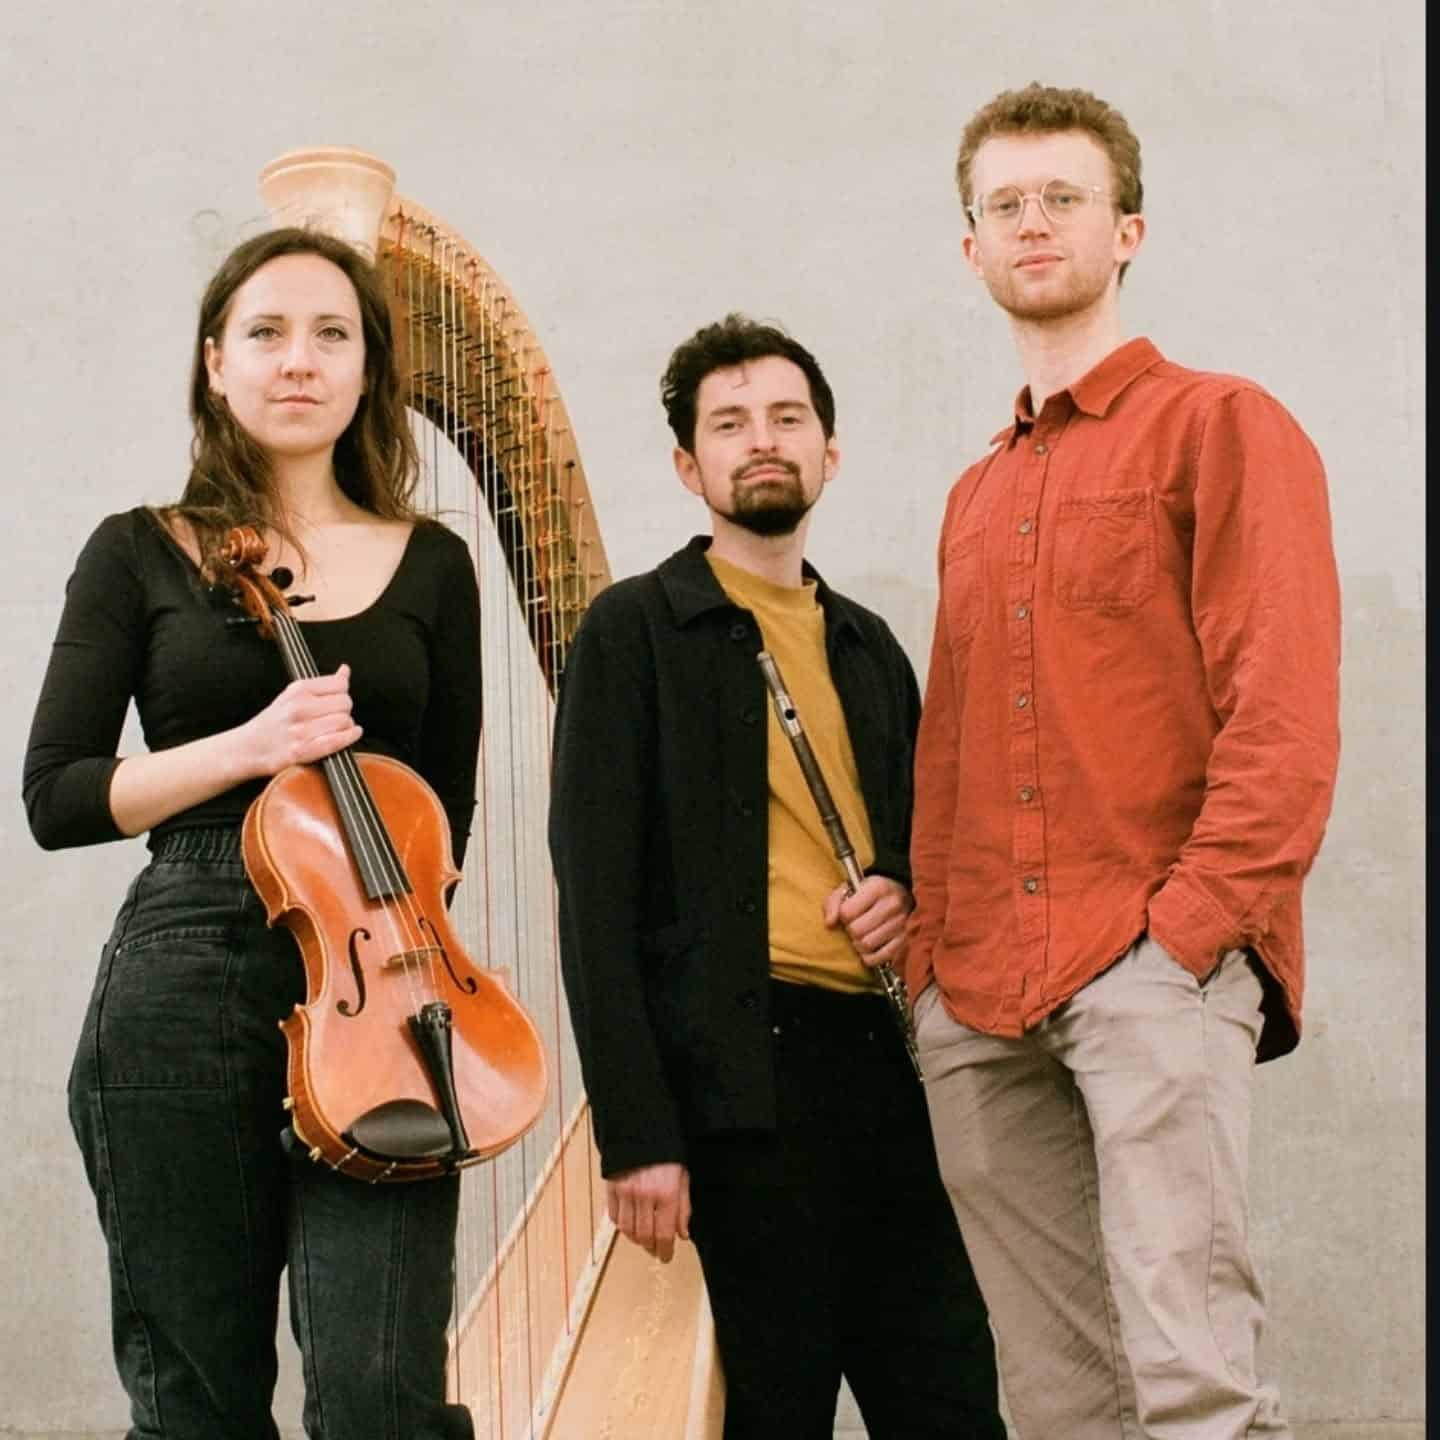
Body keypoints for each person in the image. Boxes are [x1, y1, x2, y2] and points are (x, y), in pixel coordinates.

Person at [908, 82, 1341, 1439]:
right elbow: (951, 753)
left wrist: (1192, 931)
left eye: (1064, 198)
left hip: (1152, 962)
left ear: (1128, 230)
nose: (1033, 223)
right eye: (1005, 205)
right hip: (980, 995)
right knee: (1054, 1404)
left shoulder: (1223, 424)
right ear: (971, 246)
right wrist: (930, 969)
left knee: (1195, 1383)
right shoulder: (975, 495)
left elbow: (1284, 713)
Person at [24, 226, 481, 1439]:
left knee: (383, 1399)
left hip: (384, 980)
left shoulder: (435, 564)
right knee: (199, 1406)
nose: (299, 359)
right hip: (184, 967)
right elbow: (57, 795)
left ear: (369, 370)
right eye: (266, 332)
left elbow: (444, 815)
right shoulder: (137, 549)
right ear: (215, 364)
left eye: (332, 334)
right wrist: (252, 747)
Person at [548, 314, 1004, 1440]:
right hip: (736, 1094)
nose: (763, 440)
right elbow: (593, 902)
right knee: (773, 1412)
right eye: (731, 423)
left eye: (788, 419)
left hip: (888, 1078)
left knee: (952, 1403)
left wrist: (902, 890)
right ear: (687, 465)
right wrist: (637, 1134)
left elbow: (924, 844)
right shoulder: (634, 631)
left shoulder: (869, 644)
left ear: (828, 454)